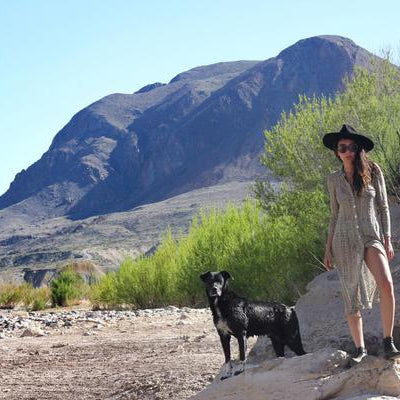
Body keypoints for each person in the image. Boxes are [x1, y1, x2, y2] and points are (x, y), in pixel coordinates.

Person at [322, 124, 400, 362]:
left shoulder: (373, 171)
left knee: (386, 284)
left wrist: (387, 240)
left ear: (358, 149)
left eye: (351, 147)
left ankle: (388, 341)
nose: (347, 151)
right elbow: (334, 216)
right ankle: (360, 349)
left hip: (371, 236)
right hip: (344, 241)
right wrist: (327, 249)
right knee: (351, 295)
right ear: (337, 151)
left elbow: (384, 208)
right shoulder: (333, 180)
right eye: (342, 147)